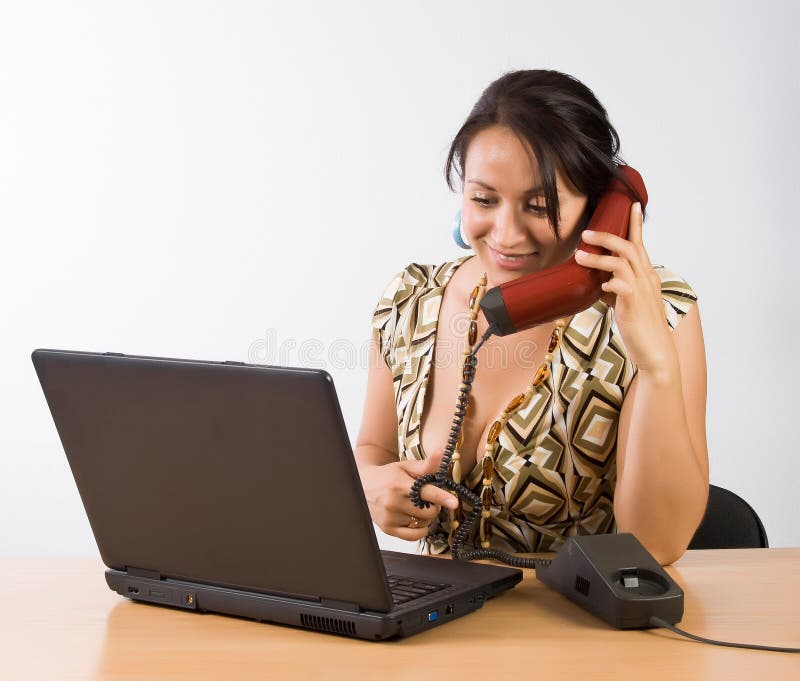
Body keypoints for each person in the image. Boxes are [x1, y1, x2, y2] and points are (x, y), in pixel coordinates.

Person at [354, 69, 708, 566]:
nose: (506, 233)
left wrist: (656, 364)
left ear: (597, 207)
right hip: (434, 622)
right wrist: (370, 486)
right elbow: (372, 447)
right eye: (484, 199)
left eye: (539, 206)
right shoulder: (409, 298)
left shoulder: (662, 310)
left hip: (580, 628)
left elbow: (655, 546)